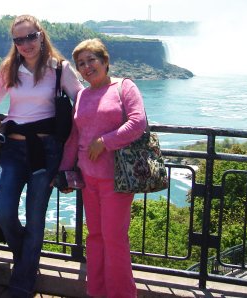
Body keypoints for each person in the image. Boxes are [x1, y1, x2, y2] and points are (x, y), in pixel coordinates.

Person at [0, 15, 83, 298]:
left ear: (41, 35)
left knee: (35, 218)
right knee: (3, 211)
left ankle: (21, 286)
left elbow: (82, 102)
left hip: (46, 151)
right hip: (13, 149)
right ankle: (27, 262)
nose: (26, 44)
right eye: (19, 39)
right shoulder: (9, 68)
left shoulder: (60, 69)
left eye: (30, 37)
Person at [59, 38, 147, 298]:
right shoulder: (83, 95)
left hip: (116, 178)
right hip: (89, 178)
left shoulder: (125, 87)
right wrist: (65, 172)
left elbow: (138, 122)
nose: (87, 67)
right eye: (81, 64)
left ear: (105, 61)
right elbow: (75, 136)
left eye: (91, 60)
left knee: (114, 240)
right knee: (95, 238)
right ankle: (96, 292)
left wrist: (105, 142)